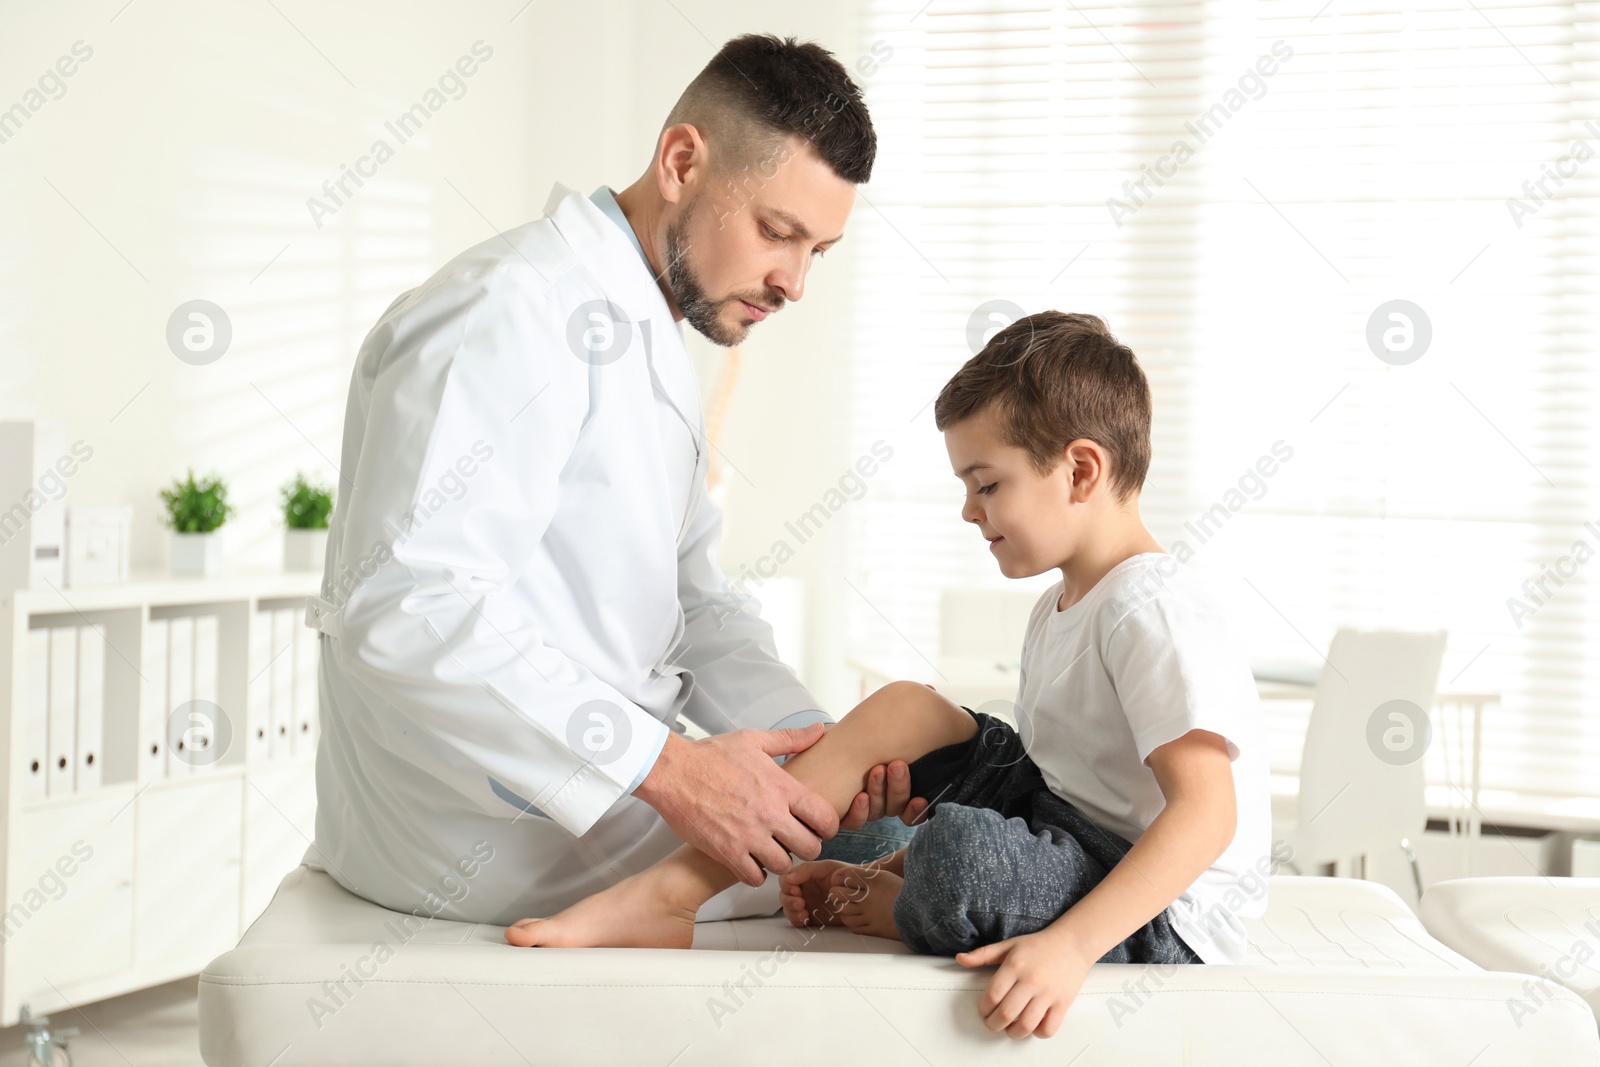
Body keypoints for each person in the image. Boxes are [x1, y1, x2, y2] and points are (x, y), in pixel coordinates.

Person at [504, 312, 1272, 1042]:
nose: (969, 511)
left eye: (987, 483)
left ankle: (904, 895)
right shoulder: (1058, 607)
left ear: (1079, 469)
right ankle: (672, 893)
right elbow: (1047, 786)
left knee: (954, 862)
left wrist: (1068, 948)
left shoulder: (1150, 608)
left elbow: (1207, 815)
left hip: (1162, 912)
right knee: (906, 712)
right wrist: (883, 859)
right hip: (1065, 825)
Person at [301, 34, 918, 928]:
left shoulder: (643, 329)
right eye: (778, 232)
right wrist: (672, 768)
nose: (794, 281)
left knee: (877, 830)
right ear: (680, 162)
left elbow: (696, 605)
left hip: (585, 792)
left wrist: (822, 743)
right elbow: (402, 606)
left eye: (818, 248)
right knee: (914, 879)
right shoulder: (509, 308)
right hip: (478, 830)